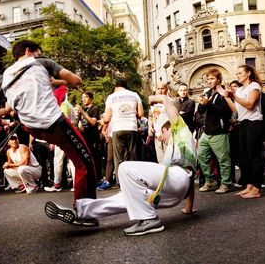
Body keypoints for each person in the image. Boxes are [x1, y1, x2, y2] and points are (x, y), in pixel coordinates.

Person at [45, 94, 196, 236]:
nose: (162, 137)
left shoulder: (180, 129)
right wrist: (188, 208)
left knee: (125, 168)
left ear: (170, 127)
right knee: (127, 198)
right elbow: (189, 178)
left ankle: (150, 220)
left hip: (176, 179)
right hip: (177, 193)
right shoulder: (186, 146)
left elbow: (166, 100)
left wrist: (157, 98)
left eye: (163, 132)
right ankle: (82, 212)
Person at [0, 39, 97, 203]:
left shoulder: (3, 77)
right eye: (39, 52)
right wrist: (58, 80)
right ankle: (86, 210)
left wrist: (7, 110)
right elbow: (76, 81)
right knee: (85, 165)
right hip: (55, 124)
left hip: (32, 129)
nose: (40, 55)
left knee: (68, 153)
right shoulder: (42, 63)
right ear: (28, 51)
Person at [220, 65, 264, 198]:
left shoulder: (254, 86)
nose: (237, 75)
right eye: (236, 73)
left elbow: (250, 105)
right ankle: (249, 185)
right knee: (244, 156)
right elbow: (236, 110)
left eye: (240, 73)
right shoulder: (239, 90)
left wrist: (234, 96)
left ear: (248, 73)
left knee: (254, 155)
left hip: (254, 122)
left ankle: (256, 188)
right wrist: (227, 97)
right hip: (243, 123)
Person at [197, 69, 232, 194]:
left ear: (218, 80)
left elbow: (224, 112)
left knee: (223, 160)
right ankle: (210, 180)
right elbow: (201, 111)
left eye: (211, 79)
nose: (209, 81)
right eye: (208, 79)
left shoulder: (223, 94)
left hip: (219, 132)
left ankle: (226, 183)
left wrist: (208, 104)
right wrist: (202, 103)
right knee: (201, 155)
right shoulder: (208, 93)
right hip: (207, 133)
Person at [102, 79, 144, 184]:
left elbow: (107, 118)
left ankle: (121, 183)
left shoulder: (111, 97)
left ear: (116, 87)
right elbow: (141, 113)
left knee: (118, 158)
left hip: (117, 128)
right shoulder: (135, 95)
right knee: (132, 156)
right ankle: (134, 182)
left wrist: (102, 121)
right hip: (131, 128)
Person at [75, 91, 101, 182]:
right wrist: (78, 119)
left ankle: (97, 179)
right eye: (82, 98)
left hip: (93, 137)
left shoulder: (95, 108)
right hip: (84, 137)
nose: (83, 99)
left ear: (90, 98)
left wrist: (82, 112)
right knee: (86, 159)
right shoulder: (84, 110)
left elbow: (93, 122)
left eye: (85, 97)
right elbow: (78, 123)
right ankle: (89, 178)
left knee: (95, 158)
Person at [148, 82, 169, 163]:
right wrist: (150, 126)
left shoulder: (170, 101)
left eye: (162, 88)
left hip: (167, 135)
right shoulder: (153, 102)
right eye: (158, 89)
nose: (160, 91)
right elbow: (150, 115)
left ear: (166, 90)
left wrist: (166, 133)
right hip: (157, 135)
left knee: (169, 159)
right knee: (160, 160)